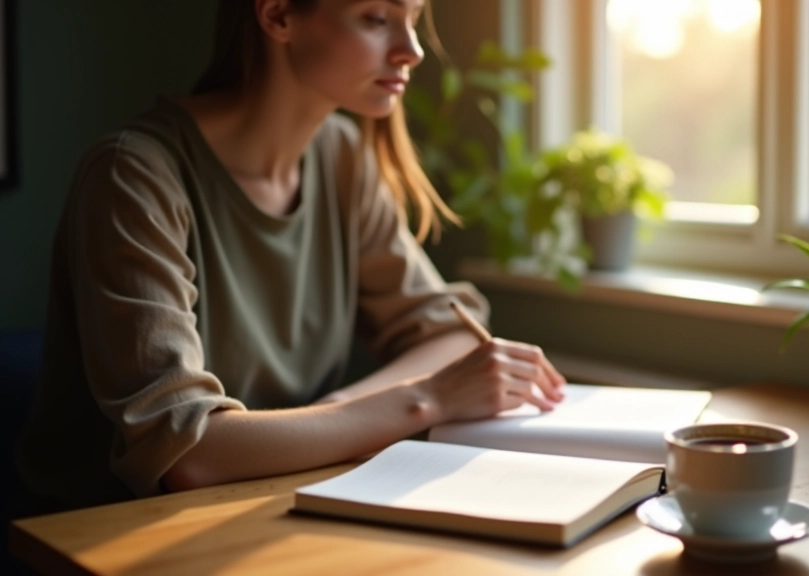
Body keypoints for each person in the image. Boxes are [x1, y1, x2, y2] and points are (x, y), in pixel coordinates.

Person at [16, 0, 565, 513]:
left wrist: (333, 417)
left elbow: (451, 336)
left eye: (414, 18)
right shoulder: (134, 175)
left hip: (273, 504)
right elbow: (187, 453)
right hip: (113, 536)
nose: (412, 50)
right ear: (278, 14)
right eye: (377, 17)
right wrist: (421, 401)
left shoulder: (343, 157)